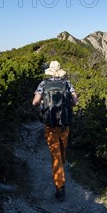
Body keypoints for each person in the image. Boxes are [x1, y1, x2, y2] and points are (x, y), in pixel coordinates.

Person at [32, 61, 78, 201]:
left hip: (50, 126)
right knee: (63, 148)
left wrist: (43, 103)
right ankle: (63, 166)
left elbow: (34, 102)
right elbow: (75, 101)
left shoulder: (43, 84)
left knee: (55, 156)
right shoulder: (67, 84)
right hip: (64, 124)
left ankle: (60, 187)